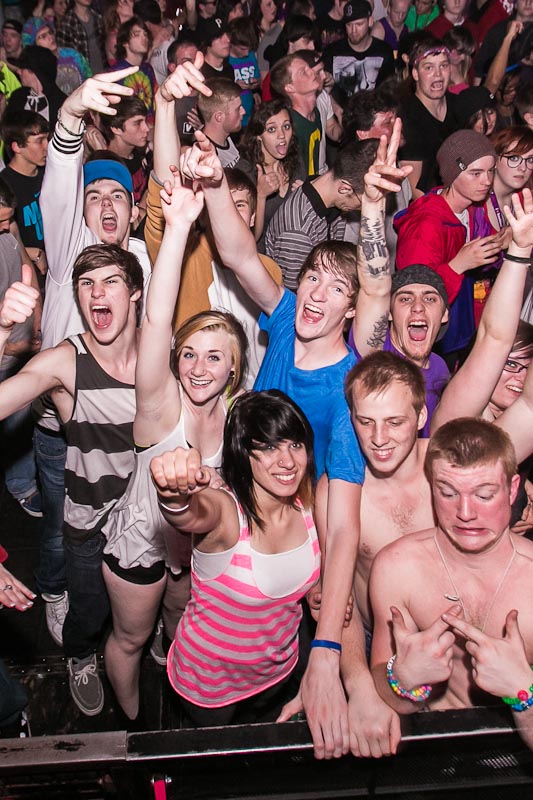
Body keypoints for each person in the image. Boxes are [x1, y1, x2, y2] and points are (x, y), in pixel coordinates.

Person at [178, 128, 409, 759]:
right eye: (312, 278)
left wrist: (328, 648)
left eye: (336, 289)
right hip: (237, 504)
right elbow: (237, 252)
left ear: (350, 309)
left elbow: (342, 526)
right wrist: (215, 177)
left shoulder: (348, 387)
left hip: (295, 530)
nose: (315, 293)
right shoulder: (282, 317)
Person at [101, 166, 248, 721]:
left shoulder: (236, 414)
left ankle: (171, 675)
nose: (198, 367)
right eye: (189, 354)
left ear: (234, 368)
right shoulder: (160, 403)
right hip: (142, 543)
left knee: (178, 622)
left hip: (194, 547)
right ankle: (134, 722)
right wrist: (181, 225)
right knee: (129, 639)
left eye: (214, 356)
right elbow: (158, 318)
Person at [35, 68, 151, 696]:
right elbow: (58, 179)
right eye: (95, 197)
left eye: (118, 198)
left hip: (127, 433)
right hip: (60, 427)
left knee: (127, 537)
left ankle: (128, 626)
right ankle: (65, 612)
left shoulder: (143, 265)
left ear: (133, 209)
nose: (107, 207)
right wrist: (71, 118)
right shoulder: (68, 251)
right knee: (64, 532)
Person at [0, 244, 142, 718]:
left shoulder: (162, 353)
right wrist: (2, 331)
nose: (97, 292)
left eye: (110, 281)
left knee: (143, 614)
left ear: (135, 292)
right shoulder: (66, 361)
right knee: (90, 609)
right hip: (89, 522)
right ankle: (80, 656)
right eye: (86, 284)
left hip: (149, 522)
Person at [150, 389, 321, 725]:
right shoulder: (228, 513)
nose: (287, 461)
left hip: (278, 672)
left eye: (295, 444)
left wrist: (318, 589)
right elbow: (192, 513)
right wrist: (173, 496)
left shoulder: (309, 505)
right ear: (243, 452)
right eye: (269, 447)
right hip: (210, 683)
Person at [369, 418, 533, 751]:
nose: (465, 512)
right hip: (433, 749)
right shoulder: (398, 567)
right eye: (448, 493)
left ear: (513, 489)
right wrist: (404, 680)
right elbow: (388, 694)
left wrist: (523, 693)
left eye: (484, 495)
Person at [395, 128, 505, 365]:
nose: (487, 181)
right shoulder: (426, 225)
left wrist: (501, 244)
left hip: (459, 325)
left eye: (490, 171)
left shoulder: (473, 208)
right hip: (431, 339)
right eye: (475, 173)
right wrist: (458, 265)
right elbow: (413, 295)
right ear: (452, 174)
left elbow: (484, 261)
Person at [264, 138, 377, 290]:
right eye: (364, 202)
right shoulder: (298, 231)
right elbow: (296, 295)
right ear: (344, 189)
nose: (362, 208)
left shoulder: (329, 195)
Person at [238, 98, 306, 247]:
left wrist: (305, 196)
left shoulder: (296, 161)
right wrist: (260, 196)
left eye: (286, 126)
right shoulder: (245, 170)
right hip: (260, 254)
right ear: (258, 136)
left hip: (291, 249)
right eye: (272, 129)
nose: (282, 135)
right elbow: (249, 238)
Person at [397, 37, 459, 198]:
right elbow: (415, 190)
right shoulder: (406, 116)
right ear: (415, 74)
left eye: (443, 66)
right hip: (428, 206)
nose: (438, 74)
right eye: (429, 67)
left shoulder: (458, 106)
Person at [323, 0, 395, 103]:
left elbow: (388, 92)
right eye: (349, 25)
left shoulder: (383, 51)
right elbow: (324, 91)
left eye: (359, 24)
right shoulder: (332, 51)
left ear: (370, 21)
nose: (353, 30)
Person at [269, 52, 323, 177]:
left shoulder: (315, 113)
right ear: (290, 88)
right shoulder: (291, 125)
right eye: (303, 72)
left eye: (309, 68)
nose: (312, 72)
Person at [21, 16, 92, 95]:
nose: (50, 37)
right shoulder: (35, 67)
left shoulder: (71, 54)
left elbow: (89, 78)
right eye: (43, 36)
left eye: (50, 32)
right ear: (34, 45)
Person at [112, 17, 158, 124]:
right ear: (125, 42)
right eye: (137, 34)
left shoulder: (148, 69)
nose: (144, 38)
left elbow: (155, 102)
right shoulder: (116, 72)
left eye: (145, 34)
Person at [197, 76, 244, 168]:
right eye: (238, 109)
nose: (243, 111)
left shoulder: (226, 135)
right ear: (219, 117)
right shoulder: (208, 158)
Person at [56, 0, 106, 75]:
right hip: (83, 77)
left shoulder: (99, 16)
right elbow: (67, 61)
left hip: (104, 72)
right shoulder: (67, 24)